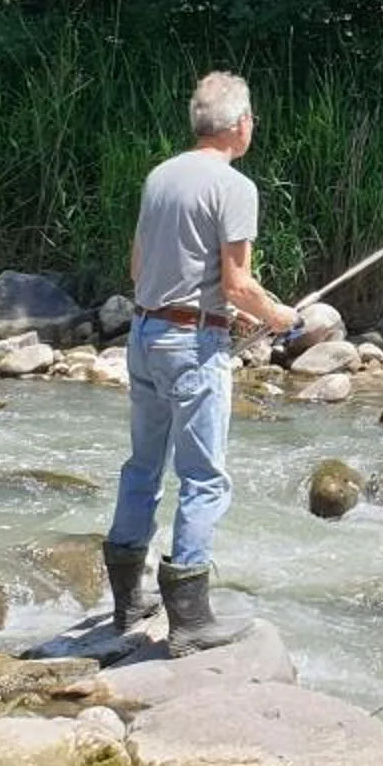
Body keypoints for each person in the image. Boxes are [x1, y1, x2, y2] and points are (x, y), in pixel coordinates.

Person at [103, 70, 303, 654]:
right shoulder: (235, 187)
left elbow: (142, 270)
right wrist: (278, 316)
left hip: (144, 336)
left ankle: (127, 602)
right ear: (240, 125)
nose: (253, 128)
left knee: (143, 468)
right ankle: (189, 620)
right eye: (252, 120)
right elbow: (238, 284)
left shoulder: (160, 176)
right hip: (192, 347)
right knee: (204, 478)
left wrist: (232, 305)